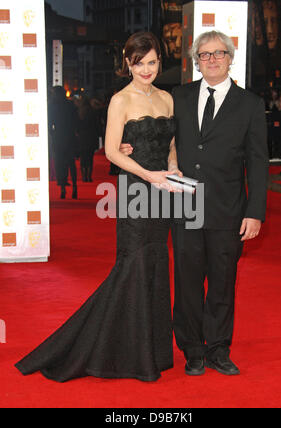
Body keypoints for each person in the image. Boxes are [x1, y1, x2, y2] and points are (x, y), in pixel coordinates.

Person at [15, 32, 182, 383]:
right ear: (127, 64)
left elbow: (170, 146)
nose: (146, 69)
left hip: (163, 192)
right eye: (139, 63)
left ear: (159, 62)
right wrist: (149, 176)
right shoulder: (120, 100)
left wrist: (173, 170)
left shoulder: (167, 99)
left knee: (155, 262)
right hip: (137, 190)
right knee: (132, 263)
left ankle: (151, 348)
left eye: (152, 62)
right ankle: (120, 350)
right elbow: (110, 151)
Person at [122, 31, 269, 377]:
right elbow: (161, 139)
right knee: (188, 281)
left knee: (222, 282)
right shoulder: (180, 96)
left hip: (229, 208)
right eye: (205, 55)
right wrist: (131, 149)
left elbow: (259, 161)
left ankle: (218, 348)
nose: (213, 60)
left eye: (219, 53)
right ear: (196, 61)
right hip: (186, 204)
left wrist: (255, 212)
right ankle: (192, 349)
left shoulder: (250, 104)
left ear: (231, 58)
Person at [48, 86, 78, 199]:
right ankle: (74, 187)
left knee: (60, 163)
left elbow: (50, 123)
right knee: (71, 163)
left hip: (58, 137)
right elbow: (76, 121)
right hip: (70, 136)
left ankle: (63, 188)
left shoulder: (52, 106)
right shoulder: (70, 105)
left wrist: (52, 133)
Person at [76, 96, 99, 182]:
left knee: (83, 159)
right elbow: (96, 126)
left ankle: (83, 176)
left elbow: (77, 127)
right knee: (90, 158)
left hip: (82, 138)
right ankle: (89, 176)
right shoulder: (93, 112)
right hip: (91, 137)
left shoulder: (79, 113)